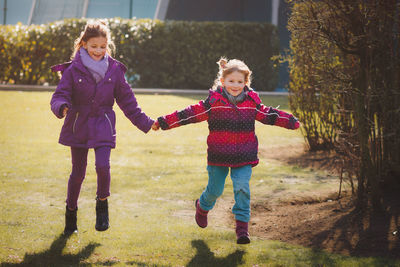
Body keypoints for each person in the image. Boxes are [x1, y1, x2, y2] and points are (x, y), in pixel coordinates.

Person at [152, 58, 300, 244]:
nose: (235, 85)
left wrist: (290, 120)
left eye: (240, 82)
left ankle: (242, 229)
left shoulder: (251, 102)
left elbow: (269, 114)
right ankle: (202, 206)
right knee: (215, 190)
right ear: (222, 82)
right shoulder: (214, 102)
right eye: (231, 81)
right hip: (218, 156)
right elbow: (189, 114)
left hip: (244, 155)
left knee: (242, 188)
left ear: (246, 83)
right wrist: (164, 121)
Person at [50, 20, 156, 235]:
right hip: (78, 124)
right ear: (83, 45)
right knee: (78, 173)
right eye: (94, 46)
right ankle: (71, 212)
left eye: (102, 46)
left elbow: (128, 102)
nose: (98, 51)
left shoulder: (115, 70)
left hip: (103, 123)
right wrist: (61, 107)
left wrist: (146, 122)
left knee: (102, 166)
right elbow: (60, 94)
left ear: (108, 45)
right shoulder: (73, 70)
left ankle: (102, 204)